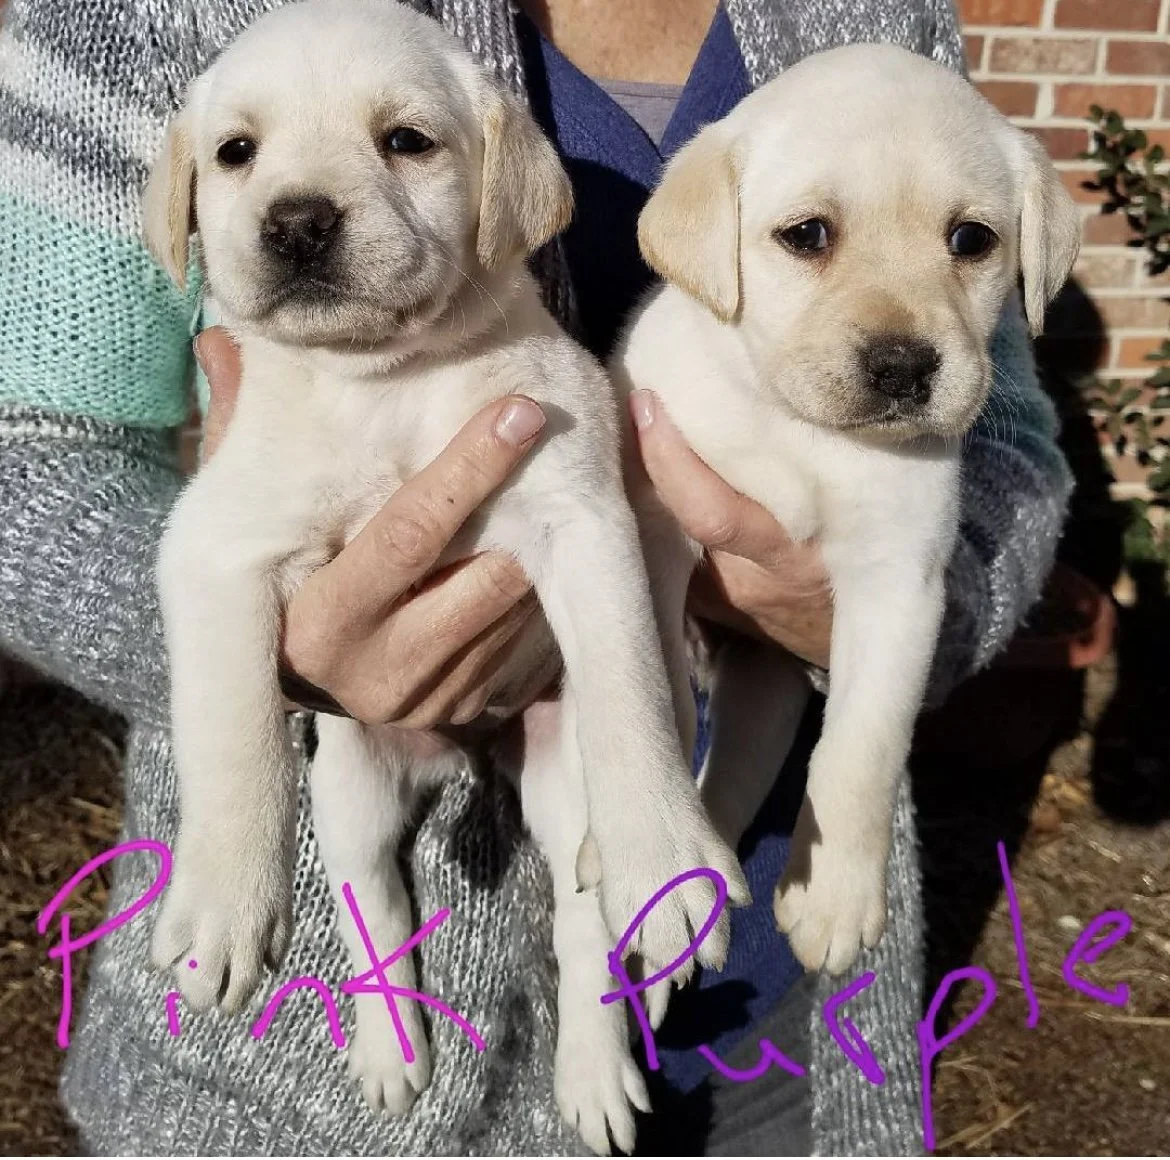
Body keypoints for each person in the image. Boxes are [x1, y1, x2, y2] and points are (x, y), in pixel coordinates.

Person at [0, 0, 1072, 1153]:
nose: (299, 206)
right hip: (300, 1084)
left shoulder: (880, 19)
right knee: (359, 819)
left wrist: (890, 599)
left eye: (405, 140)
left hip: (776, 969)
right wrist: (281, 666)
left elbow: (991, 428)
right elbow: (29, 457)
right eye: (237, 153)